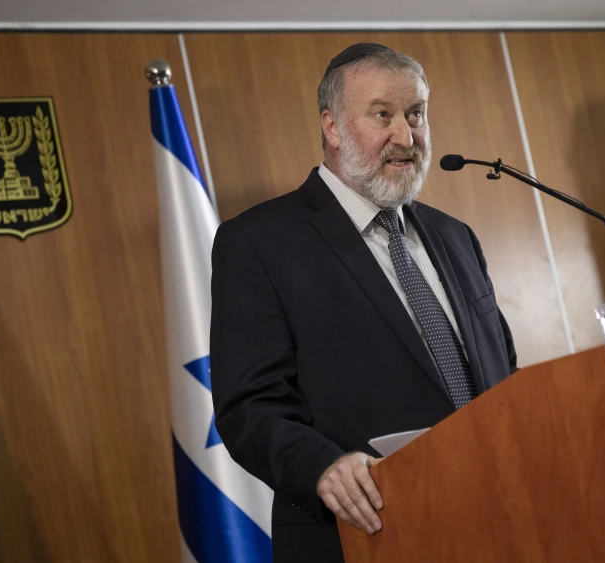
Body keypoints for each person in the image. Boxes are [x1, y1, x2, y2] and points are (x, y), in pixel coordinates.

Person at [209, 43, 519, 563]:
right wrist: (322, 466)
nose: (406, 135)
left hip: (497, 519)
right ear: (331, 127)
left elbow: (501, 371)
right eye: (383, 115)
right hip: (364, 534)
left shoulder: (455, 236)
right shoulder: (258, 242)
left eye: (416, 114)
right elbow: (249, 406)